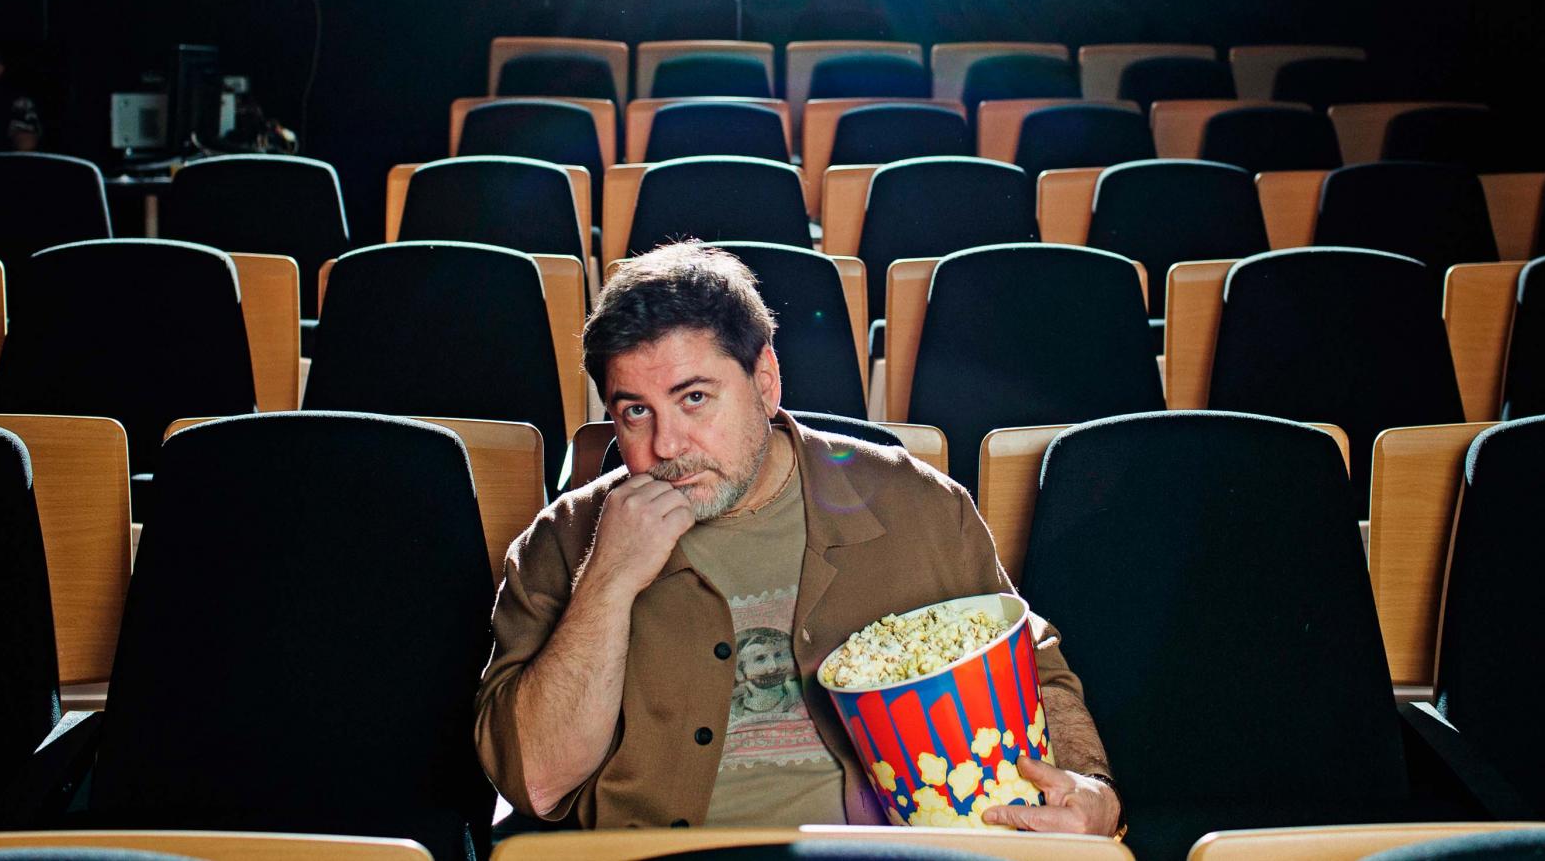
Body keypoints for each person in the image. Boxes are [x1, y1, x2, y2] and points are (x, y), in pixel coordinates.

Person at [474, 240, 1121, 834]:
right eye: (636, 411)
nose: (666, 445)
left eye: (694, 398)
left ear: (765, 381)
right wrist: (608, 579)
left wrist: (1091, 788)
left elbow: (1033, 668)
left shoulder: (920, 505)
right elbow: (538, 780)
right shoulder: (562, 541)